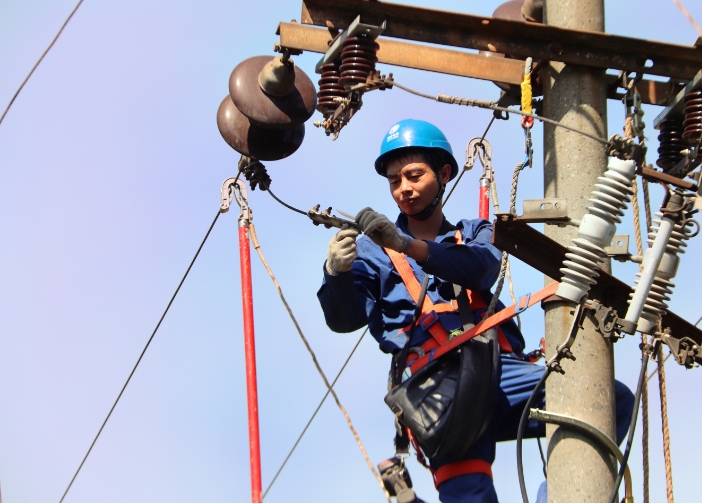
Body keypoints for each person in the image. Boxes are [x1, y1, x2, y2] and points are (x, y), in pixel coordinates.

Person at [317, 119, 634, 502]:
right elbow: (344, 318)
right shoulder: (372, 253)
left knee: (606, 401)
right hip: (438, 386)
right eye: (394, 181)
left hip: (497, 370)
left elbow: (482, 268)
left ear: (444, 174)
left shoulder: (474, 233)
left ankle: (562, 495)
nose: (404, 189)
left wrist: (406, 245)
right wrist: (336, 272)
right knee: (470, 495)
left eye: (414, 176)